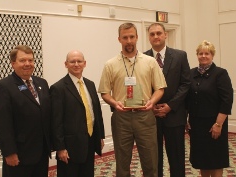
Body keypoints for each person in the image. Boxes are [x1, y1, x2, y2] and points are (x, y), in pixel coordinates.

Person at [98, 22, 167, 177]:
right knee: (122, 164)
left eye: (131, 37)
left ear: (137, 38)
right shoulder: (110, 64)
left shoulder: (150, 62)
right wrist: (114, 103)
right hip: (121, 118)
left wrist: (152, 101)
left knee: (150, 162)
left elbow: (160, 89)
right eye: (125, 37)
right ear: (119, 39)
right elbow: (104, 92)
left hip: (145, 117)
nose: (129, 41)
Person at [0, 45, 51, 177]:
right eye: (23, 60)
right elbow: (1, 124)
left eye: (30, 60)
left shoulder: (42, 83)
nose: (27, 64)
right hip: (19, 154)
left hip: (41, 152)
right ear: (13, 63)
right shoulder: (3, 87)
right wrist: (9, 152)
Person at [144, 23, 191, 177]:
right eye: (152, 34)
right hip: (151, 116)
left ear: (166, 35)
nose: (156, 36)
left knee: (177, 159)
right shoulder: (142, 58)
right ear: (148, 37)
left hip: (175, 115)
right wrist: (151, 106)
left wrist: (170, 106)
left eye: (159, 33)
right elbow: (141, 86)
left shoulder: (180, 56)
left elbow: (185, 84)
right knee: (153, 159)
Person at [50, 50, 105, 177]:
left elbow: (96, 112)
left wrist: (100, 136)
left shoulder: (90, 84)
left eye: (79, 61)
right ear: (66, 64)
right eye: (72, 61)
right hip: (70, 147)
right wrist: (60, 148)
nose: (76, 64)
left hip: (89, 141)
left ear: (84, 63)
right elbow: (56, 121)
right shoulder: (58, 88)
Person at [187, 40, 233, 177]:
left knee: (216, 160)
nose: (203, 56)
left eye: (207, 53)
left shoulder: (220, 74)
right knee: (202, 160)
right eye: (200, 53)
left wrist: (218, 124)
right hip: (197, 125)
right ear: (197, 55)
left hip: (215, 124)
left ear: (212, 55)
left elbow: (227, 100)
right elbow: (187, 98)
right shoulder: (191, 73)